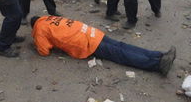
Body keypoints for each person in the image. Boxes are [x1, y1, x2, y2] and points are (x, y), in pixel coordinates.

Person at [31, 15, 176, 76]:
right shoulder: (49, 18)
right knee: (123, 47)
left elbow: (44, 51)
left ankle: (158, 65)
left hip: (87, 43)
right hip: (92, 33)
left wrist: (36, 44)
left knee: (121, 55)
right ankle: (159, 55)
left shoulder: (39, 29)